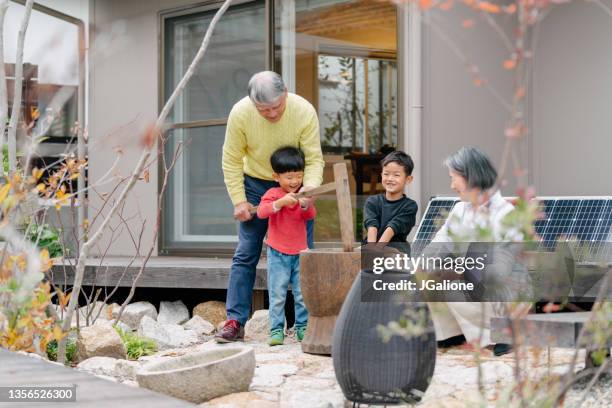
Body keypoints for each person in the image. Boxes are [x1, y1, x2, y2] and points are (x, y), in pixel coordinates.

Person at [216, 71, 324, 343]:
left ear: (285, 93)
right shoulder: (240, 113)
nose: (272, 114)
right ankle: (235, 321)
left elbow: (313, 158)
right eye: (264, 110)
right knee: (246, 252)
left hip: (293, 184)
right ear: (253, 103)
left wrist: (308, 189)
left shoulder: (303, 111)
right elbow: (231, 160)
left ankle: (305, 322)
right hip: (255, 183)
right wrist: (239, 200)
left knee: (302, 256)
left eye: (277, 107)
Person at [426, 146, 514, 356]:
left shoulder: (504, 214)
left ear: (470, 177)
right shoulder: (459, 209)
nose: (451, 185)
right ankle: (451, 332)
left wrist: (460, 269)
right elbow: (440, 243)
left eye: (454, 178)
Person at [257, 147, 314, 346]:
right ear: (276, 176)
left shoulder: (301, 195)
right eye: (289, 177)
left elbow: (309, 216)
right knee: (277, 292)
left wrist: (306, 204)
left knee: (301, 293)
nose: (294, 182)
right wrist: (280, 203)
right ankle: (276, 330)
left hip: (300, 252)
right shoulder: (273, 194)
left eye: (298, 176)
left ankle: (302, 328)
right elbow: (262, 213)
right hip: (278, 252)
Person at [363, 151, 418, 250]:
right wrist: (371, 250)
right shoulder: (372, 201)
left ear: (408, 179)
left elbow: (392, 229)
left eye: (396, 175)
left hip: (396, 252)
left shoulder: (410, 206)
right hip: (372, 248)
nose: (390, 179)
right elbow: (372, 226)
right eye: (386, 174)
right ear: (381, 175)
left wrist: (377, 250)